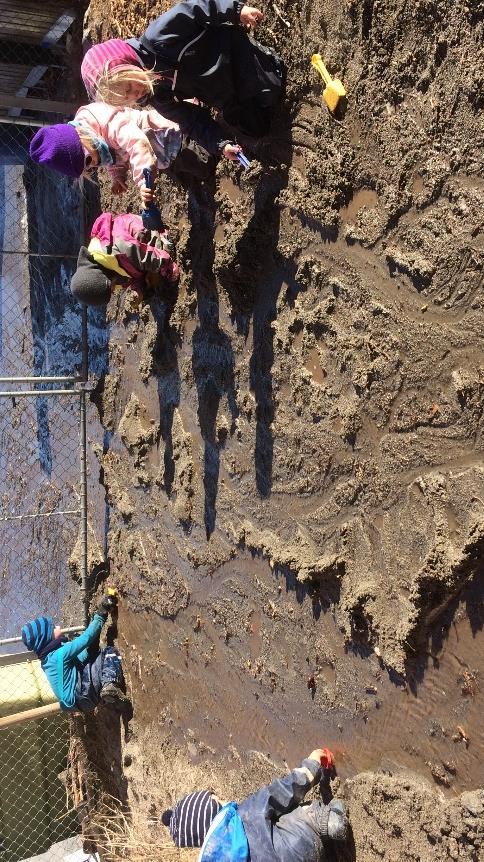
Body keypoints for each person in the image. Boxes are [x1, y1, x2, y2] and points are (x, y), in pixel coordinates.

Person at [80, 1, 284, 145]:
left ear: (126, 64)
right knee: (257, 128)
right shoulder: (156, 95)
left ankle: (264, 58)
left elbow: (197, 8)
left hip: (231, 55)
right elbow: (190, 121)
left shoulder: (158, 37)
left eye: (129, 86)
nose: (135, 94)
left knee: (272, 90)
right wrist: (221, 144)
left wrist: (236, 10)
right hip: (222, 93)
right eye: (127, 98)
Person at [28, 102, 234, 208]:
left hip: (164, 136)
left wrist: (144, 182)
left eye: (88, 161)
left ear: (80, 138)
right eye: (89, 168)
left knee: (202, 163)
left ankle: (212, 132)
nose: (94, 164)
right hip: (158, 158)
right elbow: (112, 158)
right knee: (183, 175)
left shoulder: (110, 124)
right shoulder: (93, 147)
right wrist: (118, 176)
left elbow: (138, 145)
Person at [161, 749, 348, 861]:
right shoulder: (244, 815)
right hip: (299, 845)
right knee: (303, 812)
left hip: (307, 855)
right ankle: (328, 821)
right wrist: (313, 764)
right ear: (217, 812)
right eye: (217, 799)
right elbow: (285, 791)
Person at [21, 595, 132, 718]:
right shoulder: (59, 655)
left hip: (81, 702)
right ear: (47, 637)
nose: (58, 627)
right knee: (109, 652)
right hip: (82, 692)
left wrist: (92, 645)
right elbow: (86, 639)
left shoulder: (48, 660)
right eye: (53, 628)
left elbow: (84, 655)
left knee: (93, 654)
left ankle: (107, 695)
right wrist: (101, 614)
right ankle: (109, 685)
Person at [70, 211, 179, 307]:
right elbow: (130, 274)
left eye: (110, 290)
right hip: (135, 254)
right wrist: (138, 289)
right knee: (149, 281)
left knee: (160, 271)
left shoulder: (119, 251)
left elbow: (146, 258)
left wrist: (168, 268)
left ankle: (163, 239)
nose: (113, 291)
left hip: (143, 234)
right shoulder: (107, 268)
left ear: (102, 280)